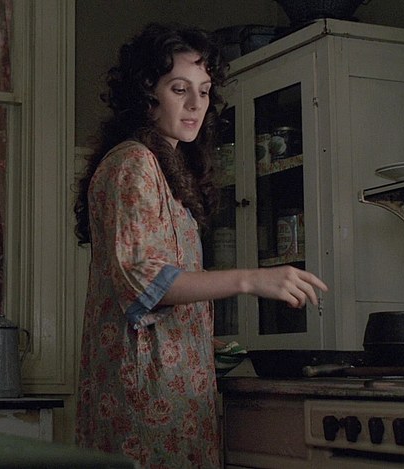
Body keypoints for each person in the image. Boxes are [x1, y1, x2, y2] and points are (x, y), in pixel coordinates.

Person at [73, 23, 328, 468]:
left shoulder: (166, 167)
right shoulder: (133, 163)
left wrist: (198, 340)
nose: (196, 104)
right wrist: (251, 279)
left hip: (178, 395)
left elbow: (168, 286)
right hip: (146, 401)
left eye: (205, 91)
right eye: (180, 89)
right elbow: (144, 280)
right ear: (146, 92)